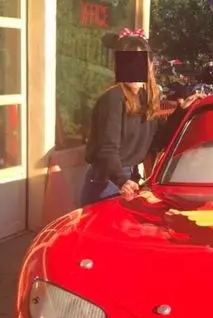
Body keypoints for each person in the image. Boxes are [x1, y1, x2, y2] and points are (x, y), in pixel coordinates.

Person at [80, 27, 204, 206]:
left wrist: (181, 112)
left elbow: (156, 141)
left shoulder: (146, 99)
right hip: (106, 183)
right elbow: (106, 149)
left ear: (149, 65)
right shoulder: (113, 98)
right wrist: (122, 180)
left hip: (129, 179)